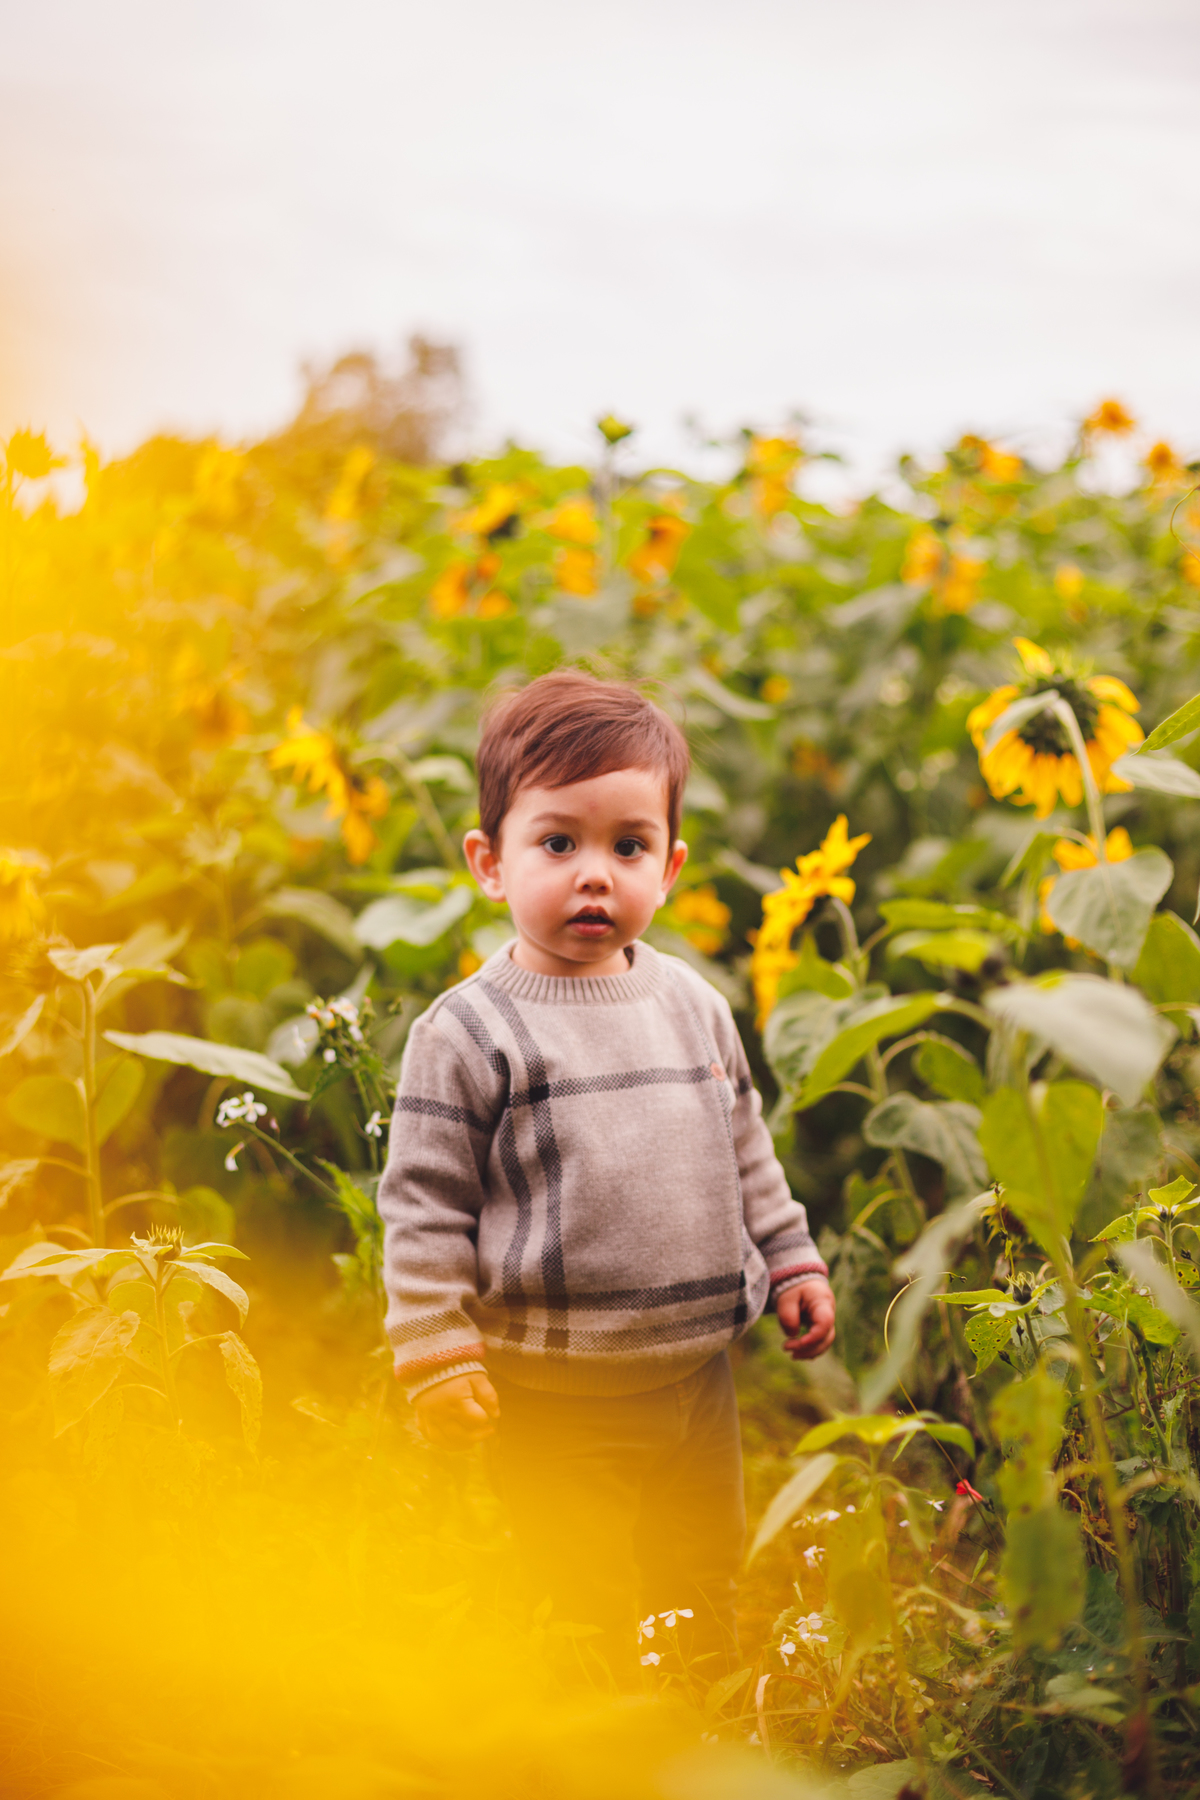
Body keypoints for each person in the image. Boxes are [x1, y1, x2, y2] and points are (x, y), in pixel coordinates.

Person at [377, 670, 836, 1681]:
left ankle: (701, 1714)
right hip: (556, 1388)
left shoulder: (696, 1007)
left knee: (697, 1572)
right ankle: (592, 1739)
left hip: (696, 1374)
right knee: (579, 1594)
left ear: (668, 867)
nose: (596, 874)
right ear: (489, 862)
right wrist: (436, 1348)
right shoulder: (468, 1031)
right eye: (558, 843)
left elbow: (744, 1148)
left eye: (626, 846)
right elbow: (423, 1204)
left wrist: (790, 1257)